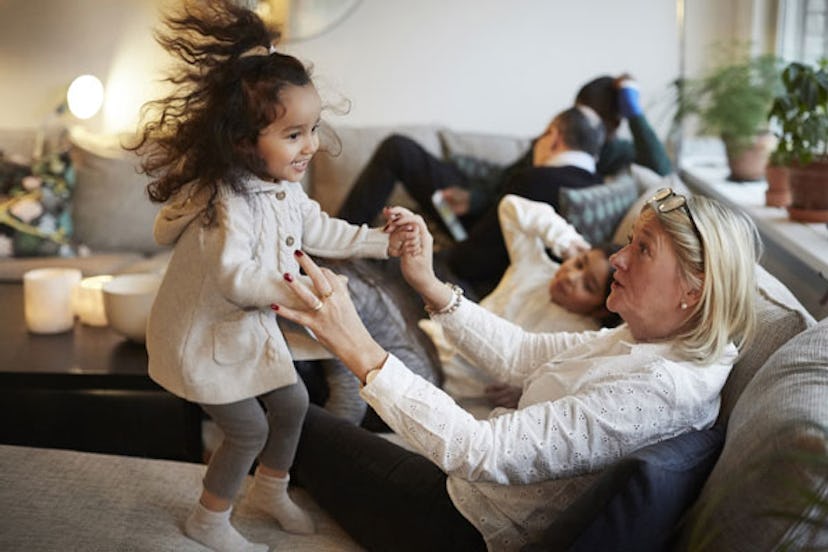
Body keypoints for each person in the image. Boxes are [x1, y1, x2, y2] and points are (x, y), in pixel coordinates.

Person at [273, 187, 761, 551]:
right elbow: (522, 354)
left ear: (693, 290)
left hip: (458, 527)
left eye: (643, 249)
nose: (617, 258)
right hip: (465, 496)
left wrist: (359, 347)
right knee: (290, 391)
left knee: (285, 406)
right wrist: (428, 282)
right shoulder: (652, 341)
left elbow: (480, 451)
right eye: (629, 242)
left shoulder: (660, 388)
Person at [126, 3, 416, 551]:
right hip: (202, 339)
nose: (309, 145)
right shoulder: (224, 204)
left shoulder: (284, 188)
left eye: (313, 129)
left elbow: (320, 230)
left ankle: (269, 490)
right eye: (293, 134)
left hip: (242, 333)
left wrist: (384, 243)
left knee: (293, 404)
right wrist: (307, 294)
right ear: (242, 141)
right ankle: (208, 519)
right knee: (248, 428)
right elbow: (237, 279)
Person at [336, 75, 672, 294]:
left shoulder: (610, 152)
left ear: (613, 124)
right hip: (480, 210)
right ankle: (341, 237)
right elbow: (506, 181)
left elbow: (662, 170)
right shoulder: (552, 162)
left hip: (482, 238)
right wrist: (475, 198)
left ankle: (343, 248)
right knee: (401, 150)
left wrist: (635, 111)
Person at [425, 193, 622, 418]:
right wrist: (566, 242)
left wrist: (527, 393)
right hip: (431, 339)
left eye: (588, 285)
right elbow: (511, 206)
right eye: (579, 263)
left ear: (601, 308)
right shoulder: (535, 266)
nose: (571, 276)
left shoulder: (583, 338)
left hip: (455, 389)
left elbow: (569, 394)